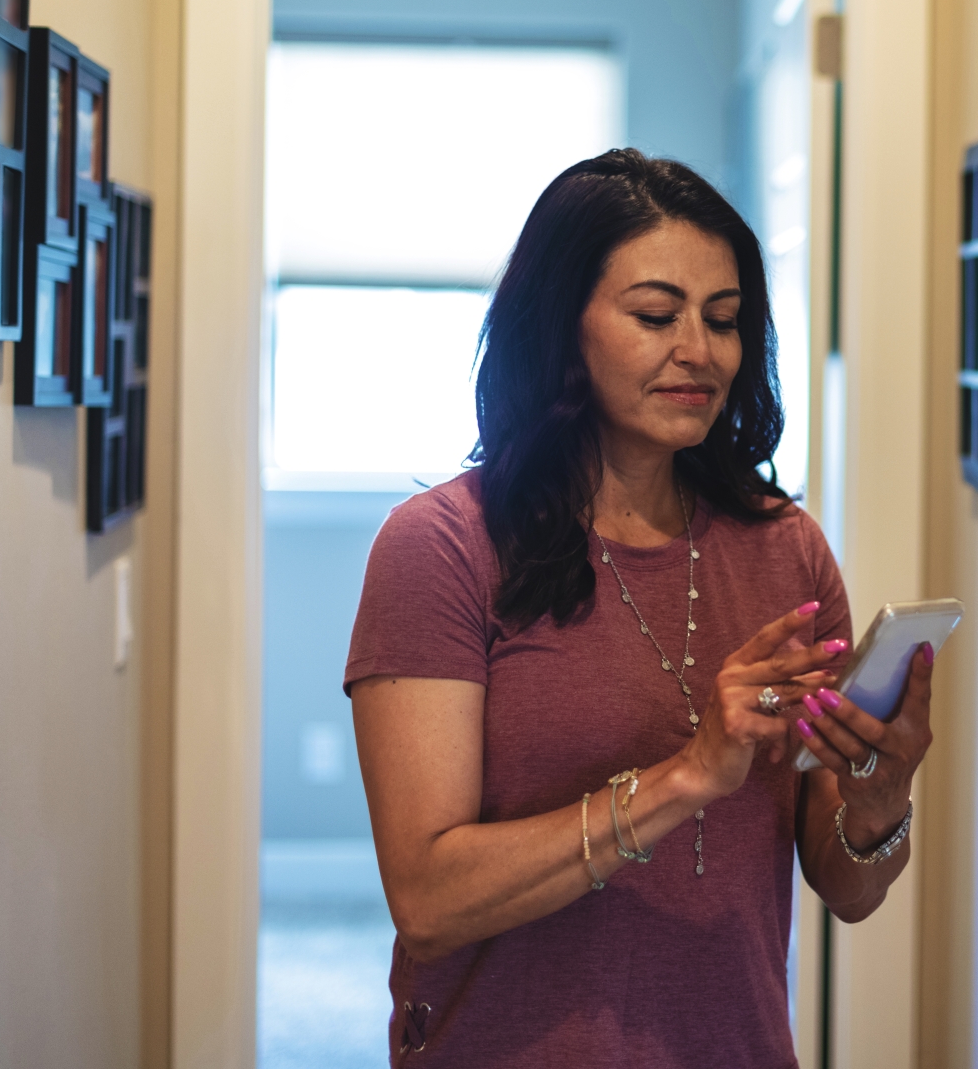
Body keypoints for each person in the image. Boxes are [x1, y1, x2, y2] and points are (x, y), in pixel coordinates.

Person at [345, 149, 932, 1067]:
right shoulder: (441, 549)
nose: (699, 350)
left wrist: (880, 793)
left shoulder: (788, 552)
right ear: (560, 327)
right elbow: (428, 900)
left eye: (725, 320)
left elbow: (848, 891)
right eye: (657, 315)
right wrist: (687, 776)